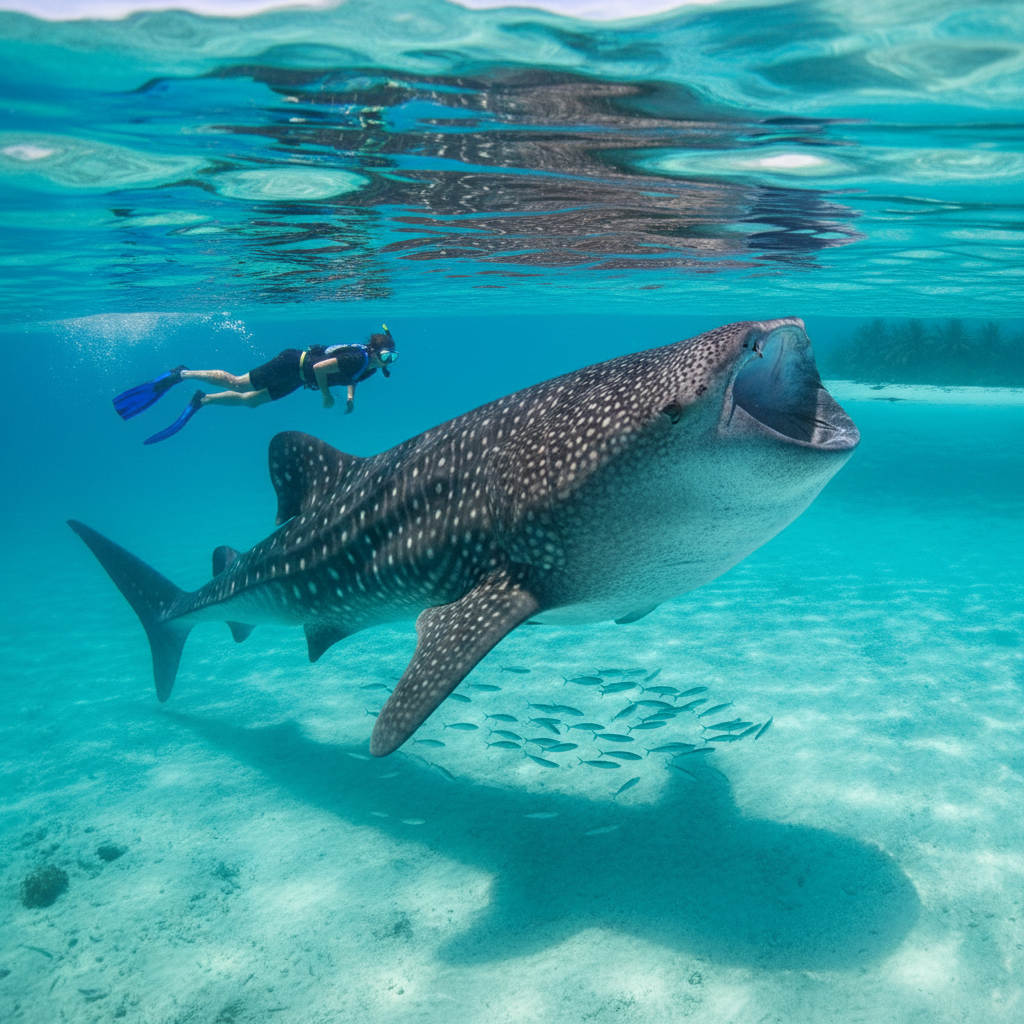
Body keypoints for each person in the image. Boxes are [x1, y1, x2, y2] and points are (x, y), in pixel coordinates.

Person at [113, 327, 399, 444]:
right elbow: (320, 367)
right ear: (373, 351)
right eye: (386, 356)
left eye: (393, 358)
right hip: (293, 365)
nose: (388, 362)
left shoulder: (371, 367)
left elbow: (353, 378)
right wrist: (325, 396)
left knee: (251, 402)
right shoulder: (356, 357)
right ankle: (182, 374)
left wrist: (350, 399)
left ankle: (202, 400)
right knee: (238, 383)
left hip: (298, 380)